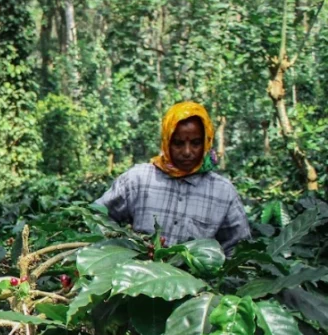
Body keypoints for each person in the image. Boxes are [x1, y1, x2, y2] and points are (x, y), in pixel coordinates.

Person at [95, 101, 250, 253]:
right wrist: (121, 248)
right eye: (178, 143)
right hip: (139, 269)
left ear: (206, 142)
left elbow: (238, 249)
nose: (187, 152)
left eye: (196, 143)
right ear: (167, 141)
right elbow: (96, 216)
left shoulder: (223, 192)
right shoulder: (138, 180)